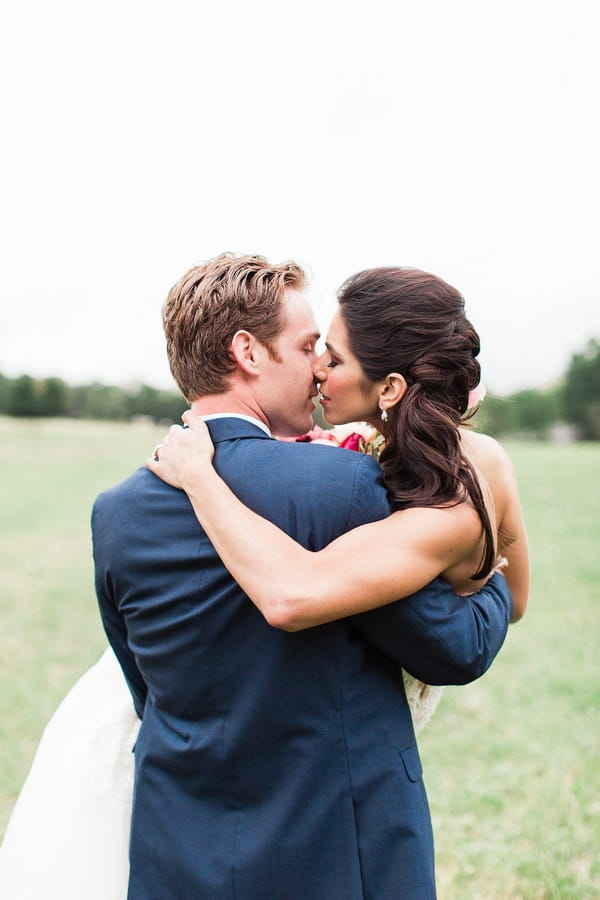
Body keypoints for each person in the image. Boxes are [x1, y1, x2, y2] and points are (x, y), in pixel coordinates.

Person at [0, 254, 515, 900]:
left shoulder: (118, 514)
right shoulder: (346, 487)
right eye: (306, 347)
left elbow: (143, 693)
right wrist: (494, 576)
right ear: (247, 351)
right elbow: (450, 646)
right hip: (340, 857)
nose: (319, 369)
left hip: (178, 856)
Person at [148, 265, 529, 634]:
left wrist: (199, 476)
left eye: (334, 357)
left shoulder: (462, 491)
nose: (318, 370)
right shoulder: (358, 451)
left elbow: (291, 597)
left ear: (390, 389)